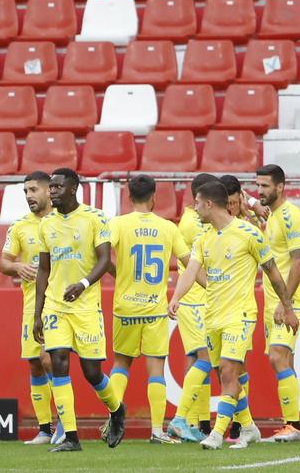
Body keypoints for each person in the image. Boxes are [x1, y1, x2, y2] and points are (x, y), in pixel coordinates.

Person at [167, 178, 299, 451]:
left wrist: (287, 307)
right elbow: (190, 271)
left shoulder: (248, 233)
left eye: (197, 204)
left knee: (228, 371)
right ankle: (249, 427)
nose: (194, 209)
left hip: (240, 315)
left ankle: (216, 434)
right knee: (226, 376)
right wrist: (176, 297)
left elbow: (273, 272)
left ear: (209, 203)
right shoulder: (203, 238)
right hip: (212, 315)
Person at [34, 168, 128, 451]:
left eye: (57, 187)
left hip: (86, 307)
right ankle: (71, 437)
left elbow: (103, 260)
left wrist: (84, 284)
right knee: (58, 361)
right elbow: (43, 269)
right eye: (50, 187)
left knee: (91, 373)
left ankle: (116, 409)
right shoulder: (46, 224)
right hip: (55, 306)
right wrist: (36, 314)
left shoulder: (94, 218)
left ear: (73, 188)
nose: (51, 192)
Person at [107, 176, 191, 445]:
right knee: (156, 369)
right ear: (154, 197)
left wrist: (118, 273)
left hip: (125, 307)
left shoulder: (118, 224)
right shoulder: (168, 227)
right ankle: (157, 431)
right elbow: (190, 263)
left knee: (121, 364)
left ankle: (114, 422)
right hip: (155, 309)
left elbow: (102, 257)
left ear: (129, 198)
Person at [250, 164, 300, 443]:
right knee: (285, 360)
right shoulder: (271, 216)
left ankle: (293, 425)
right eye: (257, 185)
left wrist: (286, 304)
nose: (259, 191)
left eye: (264, 186)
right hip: (273, 301)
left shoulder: (291, 216)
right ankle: (291, 424)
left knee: (277, 357)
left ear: (280, 187)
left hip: (289, 302)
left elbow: (299, 261)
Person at [0, 172, 57, 445]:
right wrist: (17, 266)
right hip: (31, 302)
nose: (29, 196)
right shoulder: (20, 227)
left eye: (34, 190)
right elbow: (4, 262)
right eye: (25, 192)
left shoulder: (62, 222)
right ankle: (45, 429)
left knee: (51, 360)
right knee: (35, 364)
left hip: (58, 302)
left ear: (48, 191)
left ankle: (64, 425)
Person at [168, 174, 217, 443]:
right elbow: (198, 262)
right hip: (196, 299)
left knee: (196, 360)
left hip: (196, 299)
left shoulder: (192, 220)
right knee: (206, 360)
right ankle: (182, 419)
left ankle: (195, 423)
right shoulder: (192, 223)